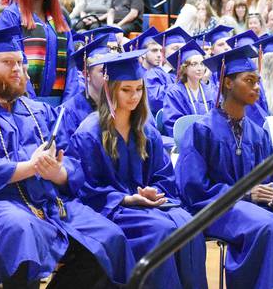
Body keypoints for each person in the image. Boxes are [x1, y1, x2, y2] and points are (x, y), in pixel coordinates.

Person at [0, 26, 134, 288]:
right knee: (20, 232)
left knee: (108, 238)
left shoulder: (39, 110)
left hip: (51, 203)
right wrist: (30, 167)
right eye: (8, 63)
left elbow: (72, 160)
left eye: (21, 62)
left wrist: (59, 173)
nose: (18, 69)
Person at [67, 51, 208, 288]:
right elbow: (86, 186)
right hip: (112, 207)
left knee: (188, 225)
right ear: (111, 89)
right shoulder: (90, 132)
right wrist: (126, 198)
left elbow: (164, 175)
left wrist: (153, 191)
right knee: (160, 229)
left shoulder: (146, 130)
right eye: (126, 90)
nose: (134, 96)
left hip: (147, 205)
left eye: (139, 89)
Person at [175, 45, 273, 289]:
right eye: (249, 80)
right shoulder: (202, 129)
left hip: (252, 207)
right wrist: (242, 193)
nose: (257, 87)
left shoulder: (257, 133)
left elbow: (272, 178)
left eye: (257, 81)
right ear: (228, 83)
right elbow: (193, 189)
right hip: (214, 207)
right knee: (266, 225)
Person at [0, 0, 78, 106]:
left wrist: (67, 106)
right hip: (22, 107)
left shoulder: (58, 19)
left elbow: (71, 64)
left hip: (59, 107)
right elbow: (11, 64)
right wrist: (33, 106)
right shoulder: (11, 17)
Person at [56, 33, 118, 143]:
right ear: (86, 75)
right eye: (103, 71)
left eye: (112, 71)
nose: (109, 77)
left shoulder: (118, 106)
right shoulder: (69, 112)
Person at [161, 40, 215, 136]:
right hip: (186, 142)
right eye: (194, 64)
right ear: (184, 68)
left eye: (202, 64)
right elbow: (174, 124)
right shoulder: (175, 93)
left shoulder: (210, 91)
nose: (199, 68)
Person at [144, 26, 191, 114]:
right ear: (163, 52)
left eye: (184, 48)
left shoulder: (191, 74)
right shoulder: (153, 74)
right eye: (175, 48)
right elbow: (155, 101)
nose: (180, 52)